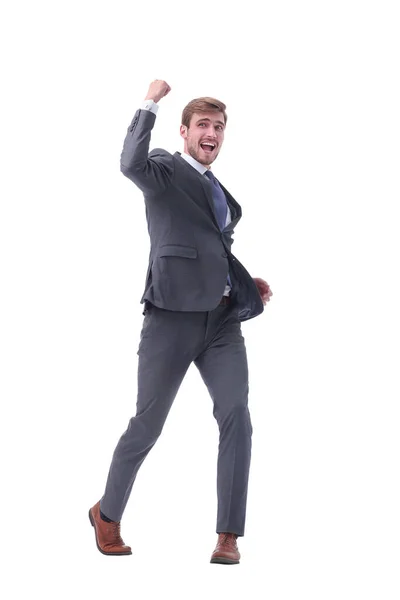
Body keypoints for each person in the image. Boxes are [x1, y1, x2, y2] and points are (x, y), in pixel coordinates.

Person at [89, 79, 273, 564]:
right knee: (147, 425)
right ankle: (106, 515)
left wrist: (244, 283)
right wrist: (148, 100)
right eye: (204, 125)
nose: (212, 133)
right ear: (185, 132)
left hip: (222, 322)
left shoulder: (217, 189)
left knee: (237, 416)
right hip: (171, 318)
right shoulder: (166, 170)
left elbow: (211, 247)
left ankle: (228, 535)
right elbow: (129, 162)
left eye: (219, 127)